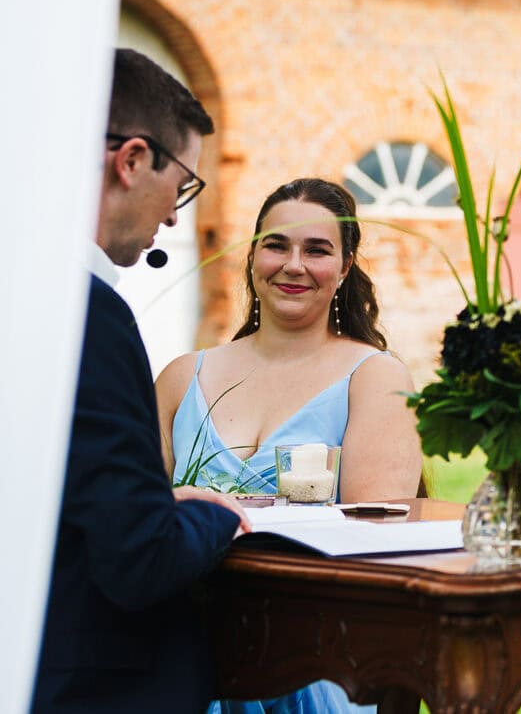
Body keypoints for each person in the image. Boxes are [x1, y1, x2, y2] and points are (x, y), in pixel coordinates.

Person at [33, 49, 248, 713]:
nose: (178, 216)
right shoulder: (87, 315)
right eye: (183, 181)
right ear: (130, 161)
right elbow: (138, 558)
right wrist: (213, 517)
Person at [157, 177, 422, 714]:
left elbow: (376, 545)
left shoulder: (374, 378)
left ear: (345, 268)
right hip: (184, 640)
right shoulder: (182, 377)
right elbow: (134, 517)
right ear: (253, 254)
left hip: (316, 651)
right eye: (277, 245)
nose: (293, 264)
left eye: (317, 250)